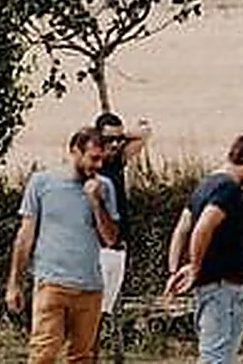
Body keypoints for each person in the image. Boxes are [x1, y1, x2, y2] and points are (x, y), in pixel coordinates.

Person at [6, 127, 121, 364]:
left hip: (90, 286)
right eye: (93, 158)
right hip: (51, 283)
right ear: (74, 152)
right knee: (43, 354)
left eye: (102, 159)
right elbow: (25, 235)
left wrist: (96, 202)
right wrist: (14, 284)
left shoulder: (105, 187)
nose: (98, 165)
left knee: (82, 357)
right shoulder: (41, 183)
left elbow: (110, 238)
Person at [163, 134, 243, 364]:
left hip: (212, 289)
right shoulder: (228, 189)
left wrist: (174, 271)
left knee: (216, 355)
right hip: (223, 289)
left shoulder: (206, 185)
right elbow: (202, 228)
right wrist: (195, 267)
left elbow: (182, 229)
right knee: (216, 358)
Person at [93, 110, 152, 358]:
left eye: (118, 140)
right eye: (109, 140)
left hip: (118, 247)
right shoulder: (93, 166)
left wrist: (118, 136)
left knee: (103, 312)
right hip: (97, 248)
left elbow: (144, 135)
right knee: (91, 312)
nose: (116, 145)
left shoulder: (117, 161)